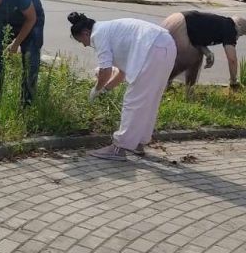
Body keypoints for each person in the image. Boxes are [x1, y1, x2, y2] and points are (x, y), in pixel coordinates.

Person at [68, 12, 177, 161]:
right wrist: (106, 89)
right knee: (150, 100)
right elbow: (122, 72)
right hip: (167, 45)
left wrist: (96, 89)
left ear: (86, 33)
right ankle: (137, 142)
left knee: (132, 102)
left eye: (82, 41)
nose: (85, 45)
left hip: (151, 48)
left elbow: (105, 71)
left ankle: (119, 147)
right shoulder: (110, 29)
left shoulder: (98, 34)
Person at [162, 11, 246, 95]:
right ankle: (161, 84)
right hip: (182, 24)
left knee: (196, 57)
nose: (238, 38)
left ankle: (188, 92)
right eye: (240, 34)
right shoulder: (231, 28)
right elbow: (232, 59)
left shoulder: (221, 23)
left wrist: (208, 52)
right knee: (189, 58)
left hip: (176, 19)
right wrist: (233, 81)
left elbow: (196, 37)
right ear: (238, 27)